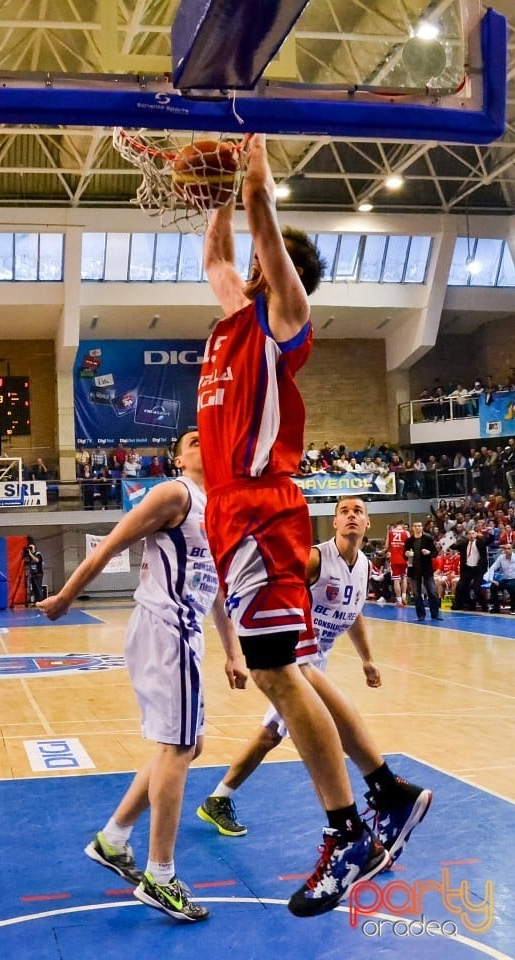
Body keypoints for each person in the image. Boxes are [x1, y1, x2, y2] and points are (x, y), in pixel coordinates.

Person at [198, 134, 395, 918]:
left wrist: (249, 159)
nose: (243, 269)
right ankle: (381, 795)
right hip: (234, 514)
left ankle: (351, 828)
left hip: (261, 505)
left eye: (259, 261)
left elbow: (255, 223)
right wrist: (209, 192)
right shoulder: (234, 318)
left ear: (276, 273)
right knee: (291, 671)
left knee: (284, 674)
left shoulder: (287, 318)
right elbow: (216, 253)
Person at [38, 430, 247, 923]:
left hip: (186, 631)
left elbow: (216, 589)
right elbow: (108, 546)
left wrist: (233, 651)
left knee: (189, 746)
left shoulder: (218, 508)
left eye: (206, 437)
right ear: (177, 457)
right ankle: (160, 875)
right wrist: (66, 598)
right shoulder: (173, 494)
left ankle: (113, 840)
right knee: (177, 747)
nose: (202, 442)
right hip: (164, 626)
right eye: (192, 439)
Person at [197, 497, 432, 867]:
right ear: (335, 523)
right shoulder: (315, 559)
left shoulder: (365, 565)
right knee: (316, 744)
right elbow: (282, 589)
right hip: (294, 656)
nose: (351, 516)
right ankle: (349, 830)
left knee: (277, 735)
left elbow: (353, 615)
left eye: (358, 512)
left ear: (368, 523)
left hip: (316, 659)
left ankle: (221, 799)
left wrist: (367, 659)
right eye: (344, 512)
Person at [403, 520, 442, 622]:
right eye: (415, 526)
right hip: (414, 569)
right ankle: (421, 615)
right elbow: (404, 555)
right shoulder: (409, 541)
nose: (417, 527)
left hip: (427, 569)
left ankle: (435, 614)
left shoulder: (428, 538)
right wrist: (406, 554)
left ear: (421, 527)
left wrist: (429, 552)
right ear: (413, 528)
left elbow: (435, 553)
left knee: (432, 592)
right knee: (417, 594)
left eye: (419, 526)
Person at [452, 527, 489, 611]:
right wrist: (446, 540)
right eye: (469, 534)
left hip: (478, 569)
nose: (471, 535)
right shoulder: (464, 543)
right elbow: (454, 546)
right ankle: (468, 604)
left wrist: (487, 534)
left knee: (477, 589)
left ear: (475, 535)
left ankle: (484, 605)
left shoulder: (480, 542)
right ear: (467, 536)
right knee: (461, 587)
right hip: (467, 569)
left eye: (473, 533)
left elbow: (489, 540)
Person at [484, 542, 515, 613]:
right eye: (505, 549)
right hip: (506, 579)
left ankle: (513, 608)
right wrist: (492, 580)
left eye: (509, 548)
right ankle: (496, 608)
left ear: (512, 550)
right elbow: (493, 568)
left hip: (514, 579)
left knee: (510, 586)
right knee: (493, 586)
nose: (507, 550)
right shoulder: (501, 557)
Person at [384, 521, 410, 605]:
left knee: (396, 580)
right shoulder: (406, 532)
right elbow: (410, 546)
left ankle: (399, 601)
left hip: (394, 559)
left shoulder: (391, 532)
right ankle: (404, 598)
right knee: (404, 578)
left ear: (395, 525)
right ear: (402, 525)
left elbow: (386, 546)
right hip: (404, 558)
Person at [25, 536, 44, 603]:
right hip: (32, 574)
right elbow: (27, 563)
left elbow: (37, 560)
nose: (31, 548)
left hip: (38, 574)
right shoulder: (29, 555)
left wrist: (31, 554)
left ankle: (41, 601)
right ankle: (37, 601)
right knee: (34, 588)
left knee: (38, 588)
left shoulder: (38, 554)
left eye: (31, 547)